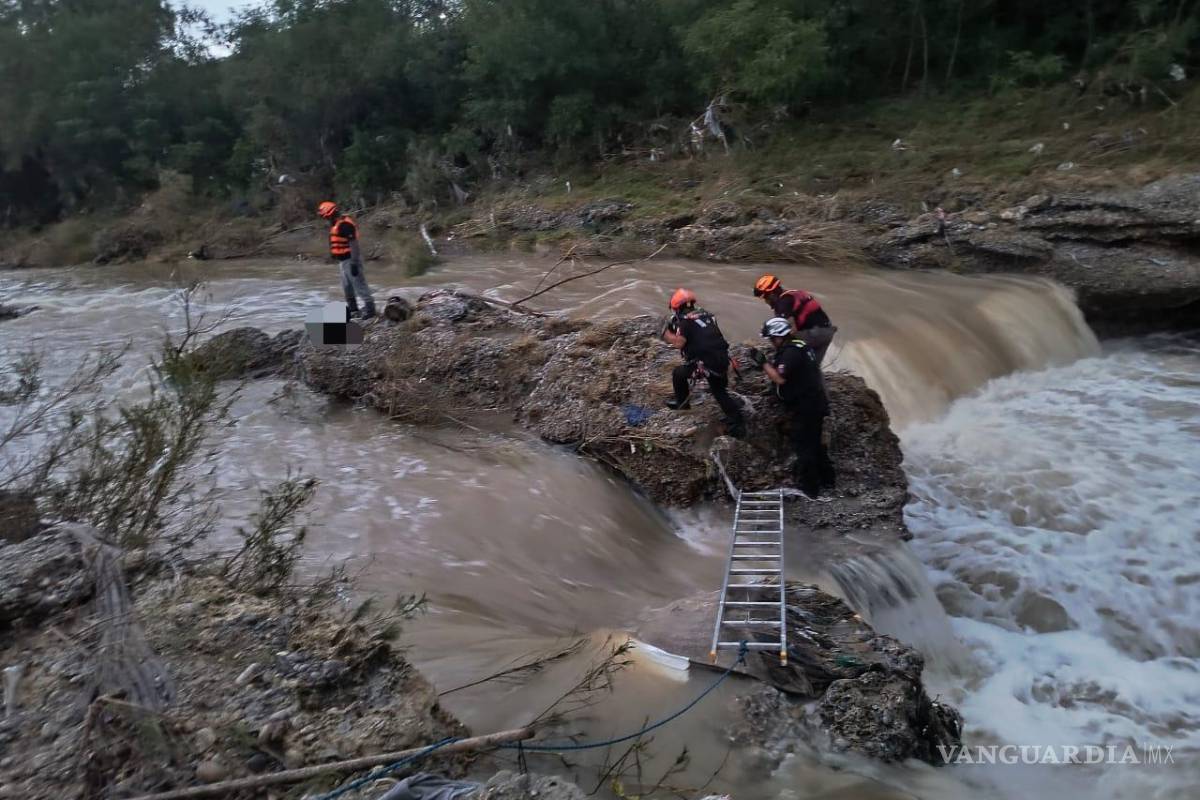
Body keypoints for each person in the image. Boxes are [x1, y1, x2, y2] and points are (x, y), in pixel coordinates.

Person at [748, 317, 835, 499]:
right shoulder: (800, 345)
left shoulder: (791, 353)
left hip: (806, 406)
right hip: (815, 402)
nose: (771, 342)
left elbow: (779, 378)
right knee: (815, 443)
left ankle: (810, 489)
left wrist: (762, 362)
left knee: (804, 446)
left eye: (772, 338)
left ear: (779, 336)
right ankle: (828, 479)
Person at [661, 288, 745, 438]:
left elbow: (679, 343)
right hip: (722, 358)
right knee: (719, 391)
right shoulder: (708, 316)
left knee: (678, 374)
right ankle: (735, 419)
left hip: (707, 362)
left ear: (677, 307)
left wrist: (666, 335)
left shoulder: (685, 322)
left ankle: (683, 404)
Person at [752, 274, 836, 365]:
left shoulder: (783, 304)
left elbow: (791, 330)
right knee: (812, 367)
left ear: (771, 294)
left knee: (784, 343)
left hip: (815, 334)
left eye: (765, 298)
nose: (766, 301)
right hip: (827, 332)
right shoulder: (792, 293)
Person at [318, 201, 376, 319]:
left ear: (330, 213)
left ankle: (370, 309)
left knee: (359, 285)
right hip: (343, 261)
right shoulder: (336, 224)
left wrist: (354, 263)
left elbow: (354, 244)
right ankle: (353, 309)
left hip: (351, 259)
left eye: (325, 216)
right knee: (347, 286)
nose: (324, 218)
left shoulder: (345, 225)